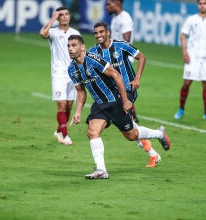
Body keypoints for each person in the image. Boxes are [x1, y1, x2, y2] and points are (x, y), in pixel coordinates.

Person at [67, 35, 171, 179]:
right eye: (69, 46)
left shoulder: (93, 59)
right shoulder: (72, 69)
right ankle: (101, 170)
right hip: (99, 105)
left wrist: (125, 101)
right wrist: (77, 111)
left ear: (82, 47)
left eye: (74, 45)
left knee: (131, 135)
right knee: (92, 132)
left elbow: (117, 76)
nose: (70, 49)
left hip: (114, 102)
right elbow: (81, 92)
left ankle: (159, 134)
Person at [89, 22, 164, 168]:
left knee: (126, 126)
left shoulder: (121, 45)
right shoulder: (94, 52)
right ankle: (155, 147)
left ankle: (101, 168)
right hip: (110, 94)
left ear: (108, 32)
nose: (98, 35)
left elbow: (142, 57)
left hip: (128, 90)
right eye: (96, 33)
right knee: (129, 129)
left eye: (101, 32)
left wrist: (137, 78)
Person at [174, 0, 206, 120]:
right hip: (192, 57)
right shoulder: (191, 19)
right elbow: (183, 36)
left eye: (205, 3)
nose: (202, 5)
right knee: (187, 83)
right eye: (200, 3)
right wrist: (185, 52)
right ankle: (181, 109)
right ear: (198, 5)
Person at [40, 6, 80, 145]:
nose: (64, 16)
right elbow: (42, 33)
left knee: (69, 105)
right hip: (58, 73)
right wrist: (52, 19)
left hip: (73, 73)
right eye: (61, 15)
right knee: (61, 103)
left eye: (67, 14)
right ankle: (65, 134)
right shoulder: (53, 32)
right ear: (58, 17)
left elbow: (81, 50)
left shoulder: (75, 32)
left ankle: (58, 130)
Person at [106, 0, 139, 123]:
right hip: (116, 58)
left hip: (122, 59)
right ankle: (131, 114)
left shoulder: (124, 18)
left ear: (117, 3)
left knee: (123, 86)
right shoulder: (116, 18)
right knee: (119, 86)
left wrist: (121, 57)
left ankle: (129, 114)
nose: (107, 7)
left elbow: (127, 40)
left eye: (109, 4)